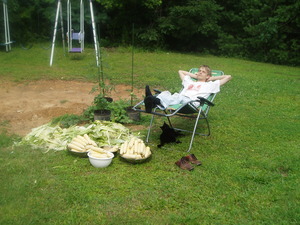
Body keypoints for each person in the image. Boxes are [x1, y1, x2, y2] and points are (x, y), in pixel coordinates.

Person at [144, 65, 232, 113]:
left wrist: (210, 78)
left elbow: (228, 77)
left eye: (203, 72)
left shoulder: (210, 85)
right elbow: (180, 71)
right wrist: (195, 76)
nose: (200, 72)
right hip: (179, 99)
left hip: (191, 103)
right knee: (168, 94)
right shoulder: (190, 82)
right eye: (199, 71)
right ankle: (152, 101)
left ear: (208, 76)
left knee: (178, 97)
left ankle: (153, 101)